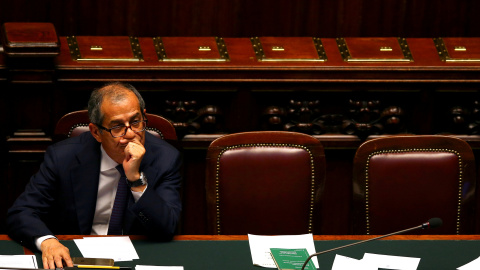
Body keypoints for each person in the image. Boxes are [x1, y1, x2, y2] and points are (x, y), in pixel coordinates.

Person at [6, 82, 182, 269]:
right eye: (117, 127)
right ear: (96, 132)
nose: (130, 134)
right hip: (75, 259)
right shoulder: (63, 157)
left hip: (138, 259)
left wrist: (136, 179)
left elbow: (166, 228)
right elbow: (22, 213)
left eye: (136, 122)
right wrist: (48, 242)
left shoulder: (165, 158)